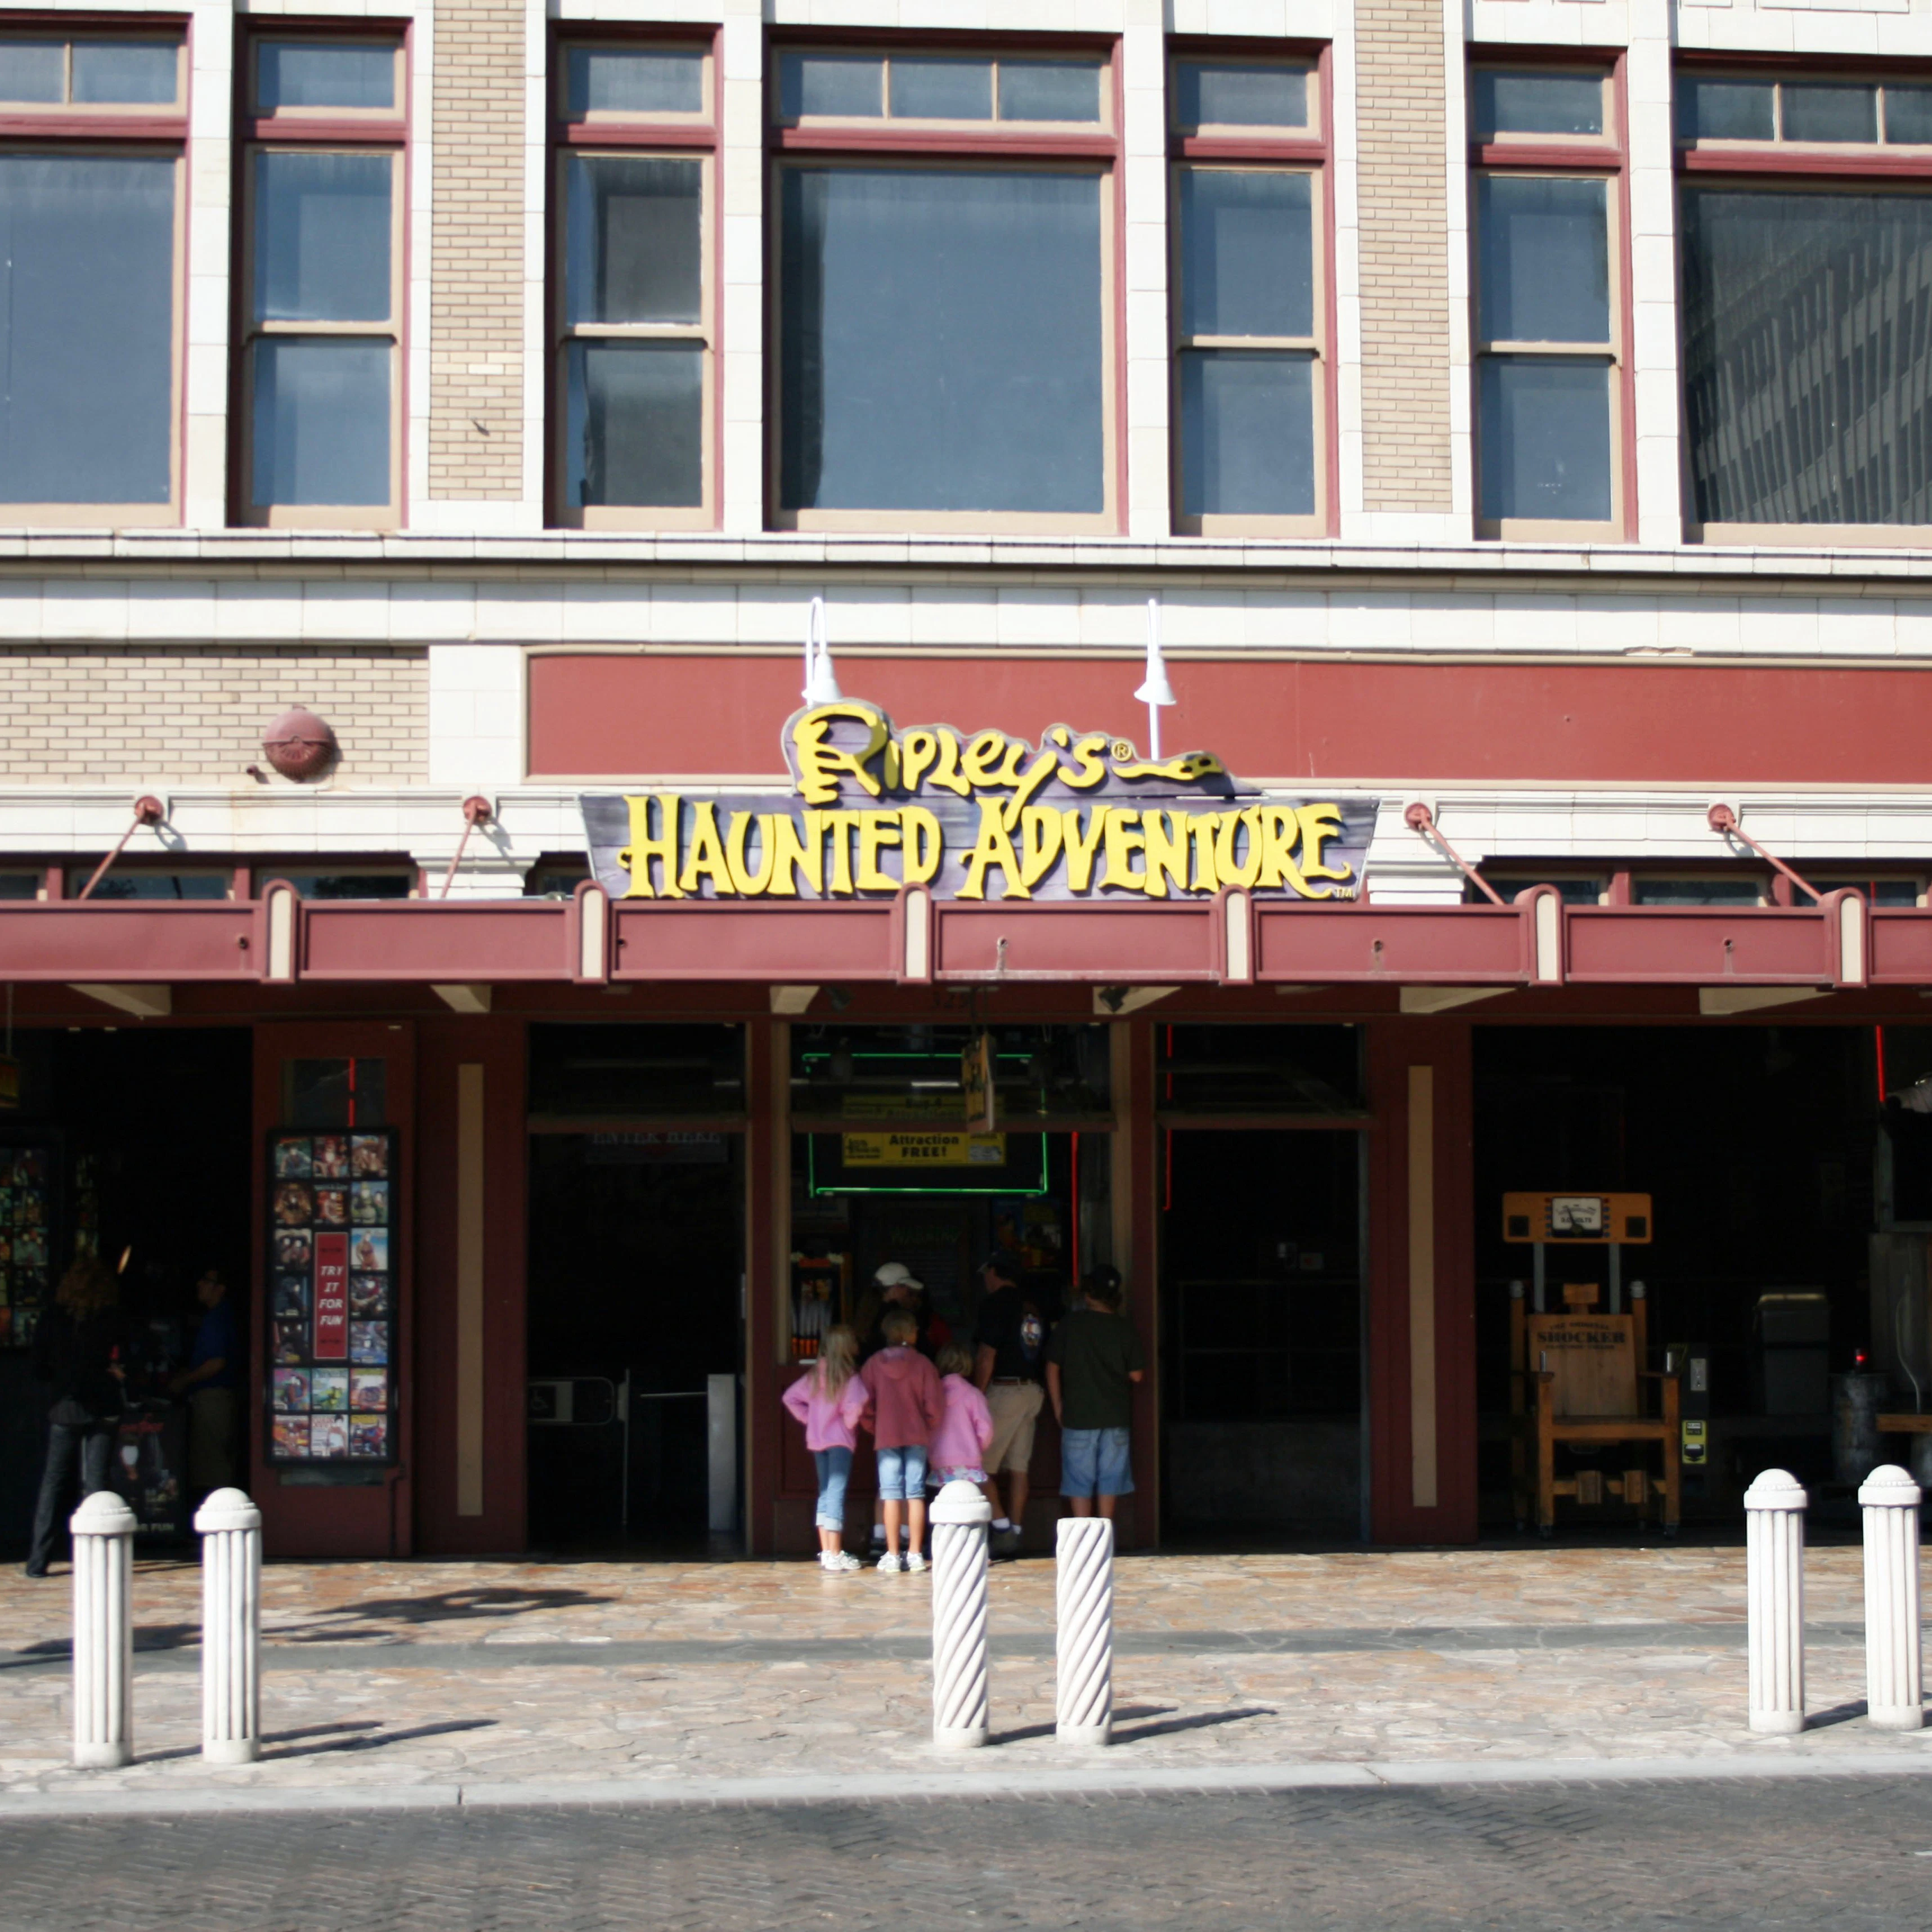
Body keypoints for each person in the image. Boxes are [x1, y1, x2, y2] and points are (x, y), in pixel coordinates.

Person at [24, 1256, 127, 1579]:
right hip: (104, 1403)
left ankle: (38, 1560)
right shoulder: (110, 1316)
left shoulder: (54, 1317)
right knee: (96, 1482)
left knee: (53, 1481)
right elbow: (128, 1355)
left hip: (66, 1406)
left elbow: (39, 1367)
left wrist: (61, 1380)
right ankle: (96, 1558)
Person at [1044, 1263, 1146, 1522]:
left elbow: (1052, 1367)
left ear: (1088, 1294)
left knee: (1079, 1480)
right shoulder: (1124, 1328)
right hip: (1115, 1416)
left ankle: (1083, 1535)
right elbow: (1137, 1375)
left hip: (1078, 1415)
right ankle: (1105, 1533)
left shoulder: (1071, 1324)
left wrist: (1058, 1407)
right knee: (1111, 1479)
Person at [971, 1251, 1056, 1557]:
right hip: (1033, 1391)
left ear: (995, 1272)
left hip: (1005, 1390)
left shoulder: (995, 1304)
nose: (985, 1278)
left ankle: (1003, 1529)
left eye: (987, 1272)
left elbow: (987, 1355)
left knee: (978, 1467)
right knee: (1020, 1468)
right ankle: (1017, 1531)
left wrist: (976, 1395)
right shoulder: (1032, 1306)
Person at [780, 1323, 870, 1573]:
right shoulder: (850, 1378)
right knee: (836, 1494)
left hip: (818, 1441)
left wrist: (810, 1419)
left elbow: (790, 1397)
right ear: (848, 1348)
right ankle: (835, 1552)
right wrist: (849, 1423)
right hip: (840, 1442)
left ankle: (827, 1551)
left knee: (825, 1493)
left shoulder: (813, 1375)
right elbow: (855, 1407)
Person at [862, 1307, 943, 1572]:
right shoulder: (923, 1364)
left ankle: (893, 1554)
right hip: (916, 1433)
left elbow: (863, 1402)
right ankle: (916, 1553)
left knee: (890, 1494)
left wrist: (874, 1427)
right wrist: (927, 1425)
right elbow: (934, 1406)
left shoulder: (873, 1364)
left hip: (887, 1435)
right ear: (909, 1333)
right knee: (916, 1494)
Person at [170, 1266, 239, 1500]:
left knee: (212, 1469)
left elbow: (217, 1362)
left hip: (213, 1399)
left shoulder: (218, 1317)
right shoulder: (218, 1316)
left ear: (220, 1289)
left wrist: (184, 1381)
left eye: (206, 1281)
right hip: (216, 1398)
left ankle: (220, 1513)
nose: (199, 1285)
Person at [928, 1344, 994, 1494]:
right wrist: (976, 1447)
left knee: (946, 1499)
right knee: (968, 1499)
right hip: (969, 1461)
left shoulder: (932, 1395)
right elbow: (986, 1428)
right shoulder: (973, 1394)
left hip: (939, 1460)